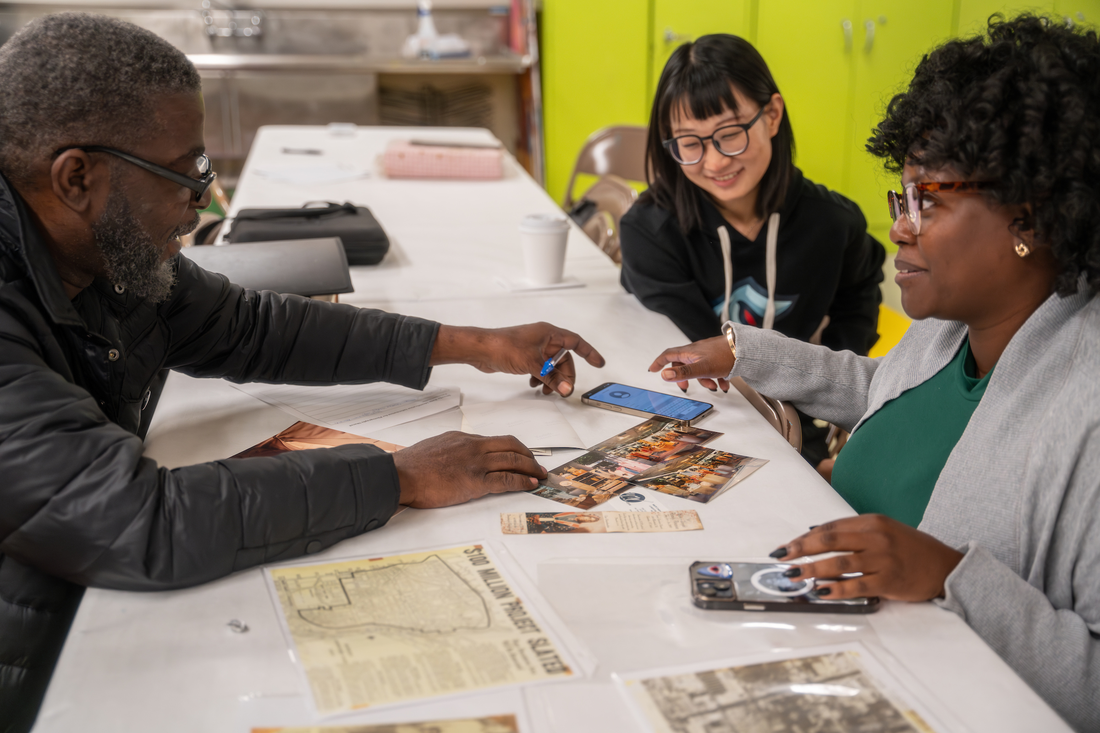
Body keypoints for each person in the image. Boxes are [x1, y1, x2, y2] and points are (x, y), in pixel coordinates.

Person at [0, 14, 605, 732]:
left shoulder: (104, 250)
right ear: (78, 178)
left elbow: (254, 327)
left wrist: (470, 342)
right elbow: (140, 519)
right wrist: (401, 477)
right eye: (185, 175)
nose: (202, 204)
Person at [648, 15, 1100, 731]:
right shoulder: (955, 327)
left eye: (929, 200)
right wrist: (747, 352)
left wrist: (950, 575)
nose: (899, 226)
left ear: (1030, 218)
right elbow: (879, 391)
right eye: (902, 197)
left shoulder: (1086, 408)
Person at [619, 34, 886, 472]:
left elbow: (861, 293)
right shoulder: (651, 231)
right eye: (690, 143)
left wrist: (831, 391)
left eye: (731, 133)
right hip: (684, 419)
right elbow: (690, 357)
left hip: (794, 427)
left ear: (773, 115)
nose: (716, 161)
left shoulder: (834, 224)